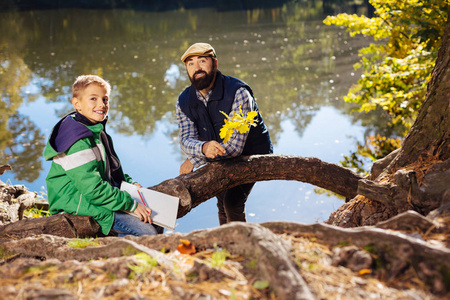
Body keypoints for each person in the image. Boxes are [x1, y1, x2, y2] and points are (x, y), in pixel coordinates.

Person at [44, 75, 162, 237]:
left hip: (95, 195)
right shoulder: (76, 140)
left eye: (105, 99)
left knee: (156, 221)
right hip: (77, 202)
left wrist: (129, 183)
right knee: (146, 233)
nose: (101, 104)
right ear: (77, 104)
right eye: (93, 99)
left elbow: (109, 168)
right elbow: (93, 189)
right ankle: (115, 251)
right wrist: (131, 205)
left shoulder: (95, 129)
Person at [176, 42, 273, 225]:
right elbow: (186, 140)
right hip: (219, 157)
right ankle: (227, 248)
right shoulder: (184, 101)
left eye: (202, 61)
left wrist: (195, 158)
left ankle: (243, 248)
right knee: (221, 200)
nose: (197, 68)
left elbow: (235, 148)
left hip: (251, 154)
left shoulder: (238, 92)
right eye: (191, 64)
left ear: (215, 63)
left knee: (232, 201)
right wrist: (203, 147)